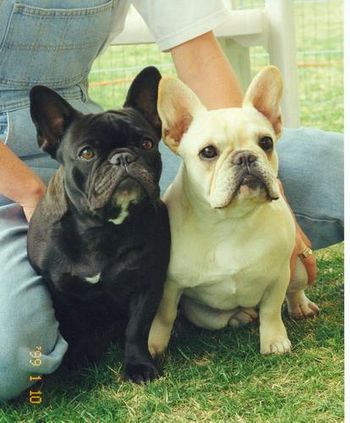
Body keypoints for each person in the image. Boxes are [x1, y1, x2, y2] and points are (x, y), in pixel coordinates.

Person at [0, 0, 343, 401]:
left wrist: (265, 186)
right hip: (26, 177)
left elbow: (197, 53)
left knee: (333, 165)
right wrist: (31, 193)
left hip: (101, 144)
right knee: (13, 358)